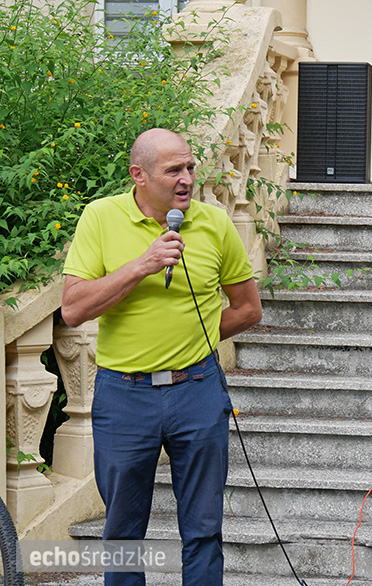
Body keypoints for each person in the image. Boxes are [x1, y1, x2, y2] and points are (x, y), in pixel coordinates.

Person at [61, 128, 263, 586]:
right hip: (123, 394)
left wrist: (193, 342)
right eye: (174, 170)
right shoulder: (100, 217)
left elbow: (248, 309)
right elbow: (73, 309)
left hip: (198, 389)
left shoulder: (214, 223)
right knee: (123, 532)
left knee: (205, 527)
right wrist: (142, 265)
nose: (187, 178)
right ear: (139, 175)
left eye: (190, 167)